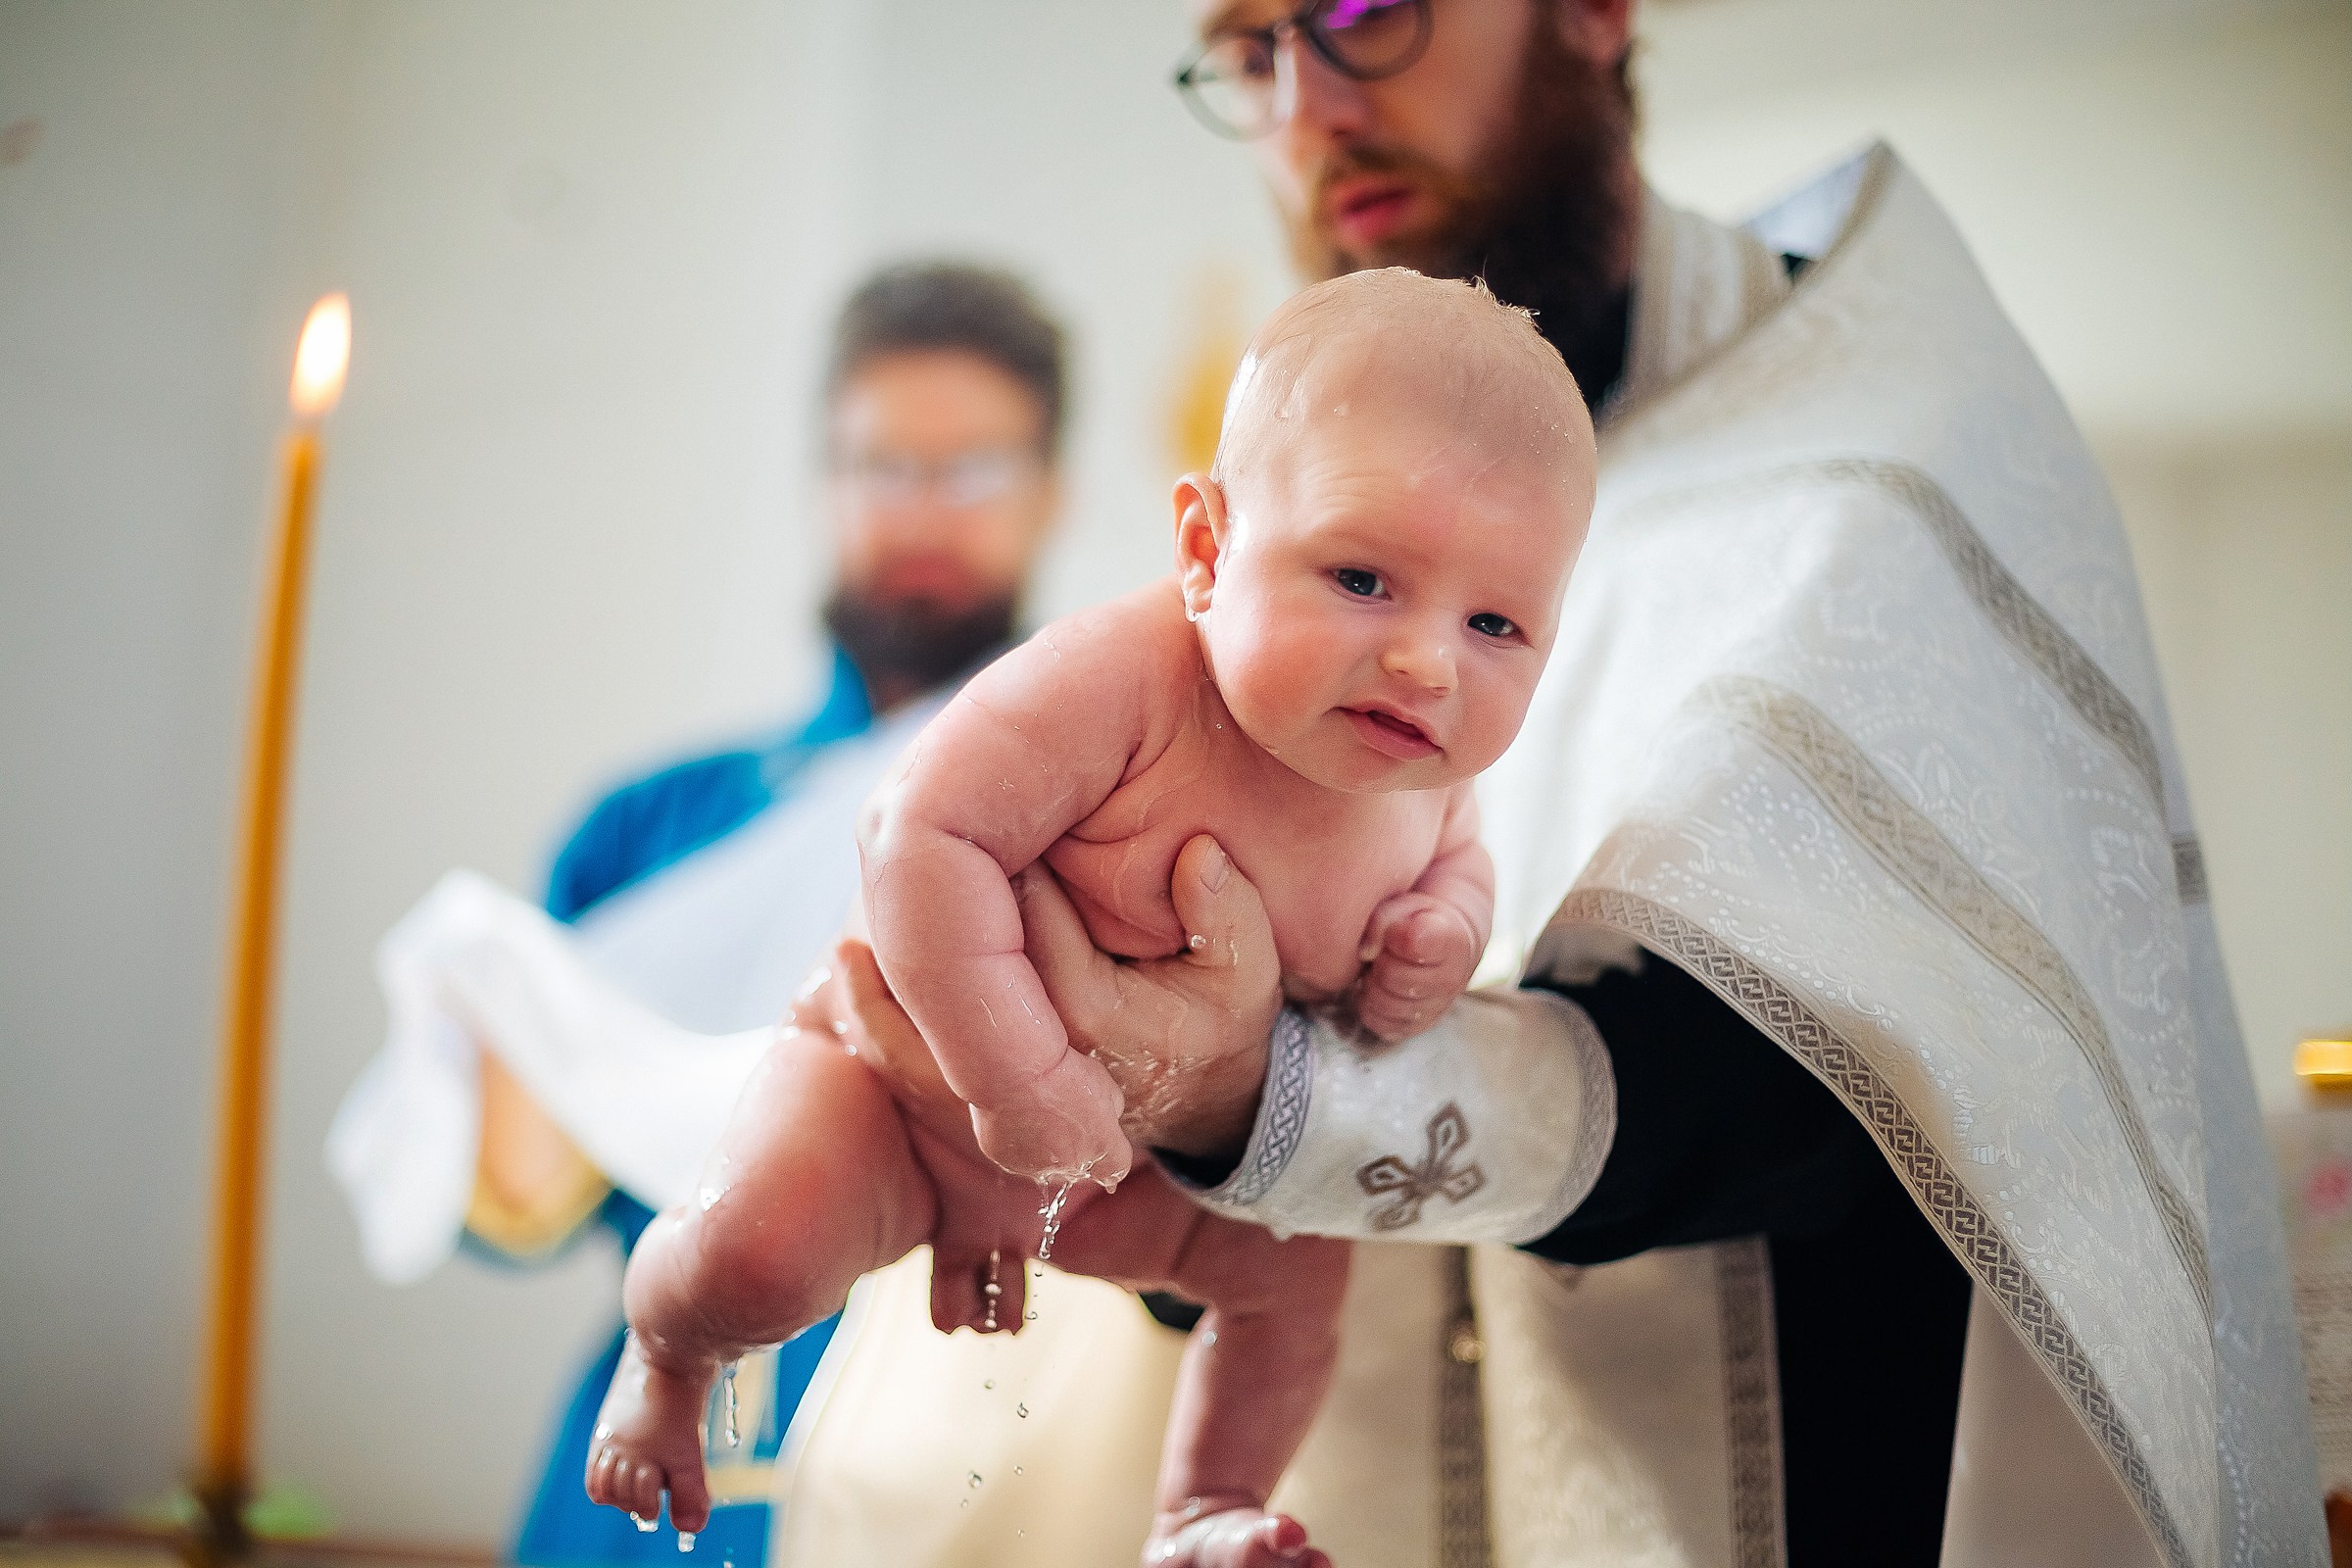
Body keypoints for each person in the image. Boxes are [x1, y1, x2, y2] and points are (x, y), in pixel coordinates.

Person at [807, 1, 2324, 1563]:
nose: (1307, 106)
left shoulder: (1887, 452)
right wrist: (1093, 1089)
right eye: (1248, 50)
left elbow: (1846, 1083)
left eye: (1358, 15)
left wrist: (1249, 1091)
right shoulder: (1314, 510)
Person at [584, 270, 1596, 1568]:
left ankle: (1207, 1502)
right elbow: (920, 836)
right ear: (1204, 553)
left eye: (1498, 621)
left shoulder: (1427, 772)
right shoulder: (1125, 682)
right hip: (906, 1095)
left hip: (1139, 1165)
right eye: (1361, 577)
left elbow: (1462, 870)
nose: (1428, 661)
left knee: (1290, 1282)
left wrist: (1438, 940)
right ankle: (671, 1348)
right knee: (762, 1256)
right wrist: (1020, 1078)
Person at [473, 261, 1070, 1568]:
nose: (923, 508)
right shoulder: (651, 829)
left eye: (972, 468)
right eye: (882, 465)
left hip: (978, 1458)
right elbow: (505, 1216)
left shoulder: (1101, 820)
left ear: (1049, 493)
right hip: (643, 1452)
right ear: (822, 482)